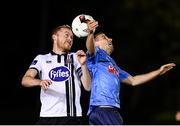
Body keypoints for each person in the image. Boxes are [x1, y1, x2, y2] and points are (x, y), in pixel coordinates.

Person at [85, 20, 176, 125]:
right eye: (104, 37)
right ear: (96, 43)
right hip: (104, 109)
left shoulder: (113, 66)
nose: (110, 39)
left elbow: (133, 80)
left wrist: (158, 71)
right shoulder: (96, 55)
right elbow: (90, 48)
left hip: (107, 110)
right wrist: (90, 33)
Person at [21, 25, 91, 125]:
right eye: (66, 35)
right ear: (55, 37)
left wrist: (83, 64)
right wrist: (40, 81)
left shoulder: (76, 57)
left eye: (71, 37)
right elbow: (25, 80)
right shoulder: (42, 58)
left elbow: (88, 87)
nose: (70, 39)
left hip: (71, 118)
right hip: (47, 116)